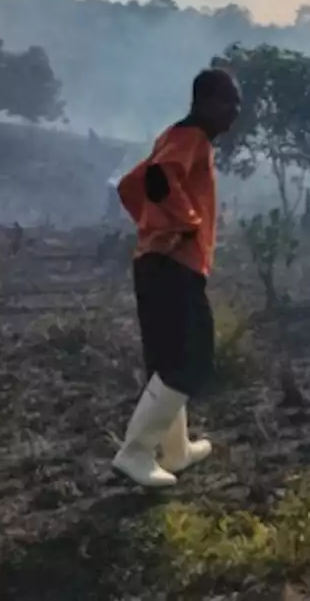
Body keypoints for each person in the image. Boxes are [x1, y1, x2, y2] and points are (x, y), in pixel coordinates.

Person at [111, 68, 241, 487]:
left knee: (167, 360)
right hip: (172, 266)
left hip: (159, 262)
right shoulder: (191, 138)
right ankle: (135, 452)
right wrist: (185, 224)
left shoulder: (176, 136)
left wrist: (153, 228)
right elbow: (157, 179)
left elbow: (133, 184)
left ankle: (176, 450)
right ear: (204, 102)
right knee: (193, 357)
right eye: (229, 103)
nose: (234, 114)